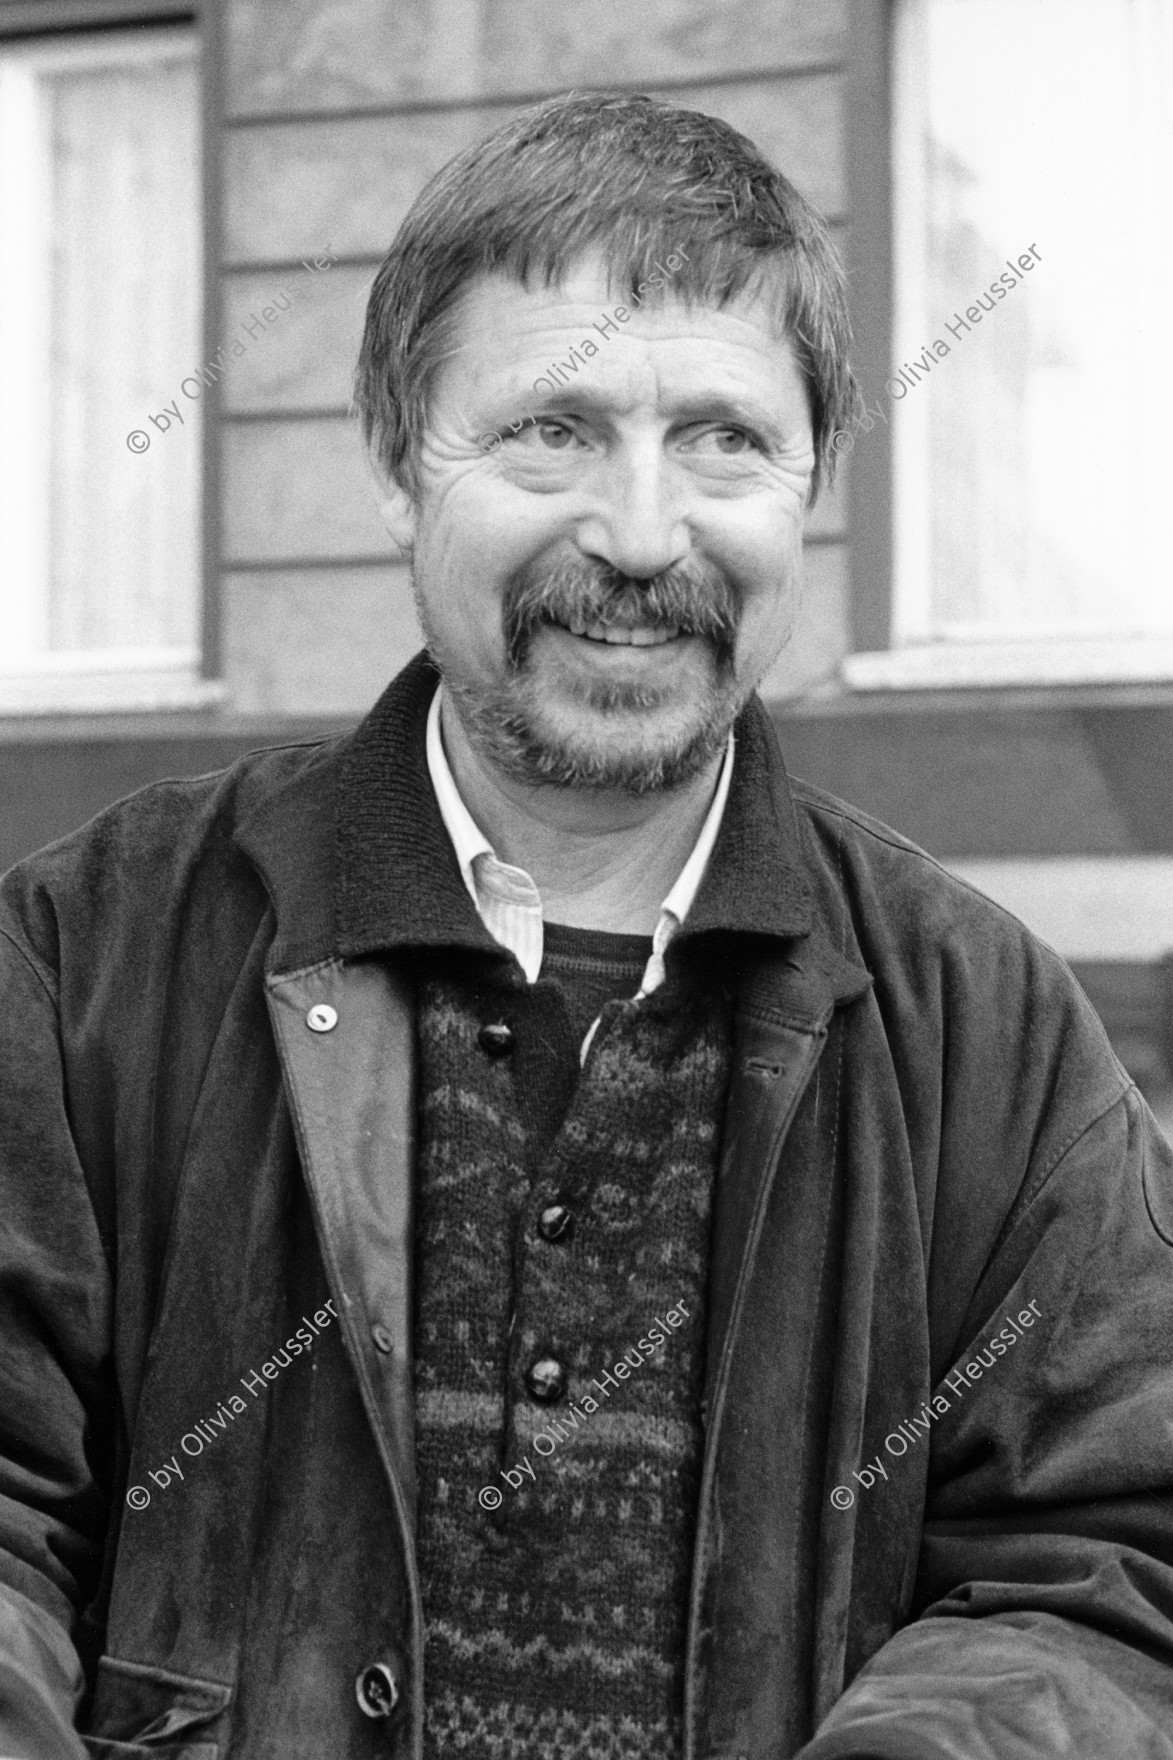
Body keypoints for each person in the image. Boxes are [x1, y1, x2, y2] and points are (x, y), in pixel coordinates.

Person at [1, 89, 1171, 1760]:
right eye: (551, 430)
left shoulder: (983, 1024)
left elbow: (1111, 1562)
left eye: (723, 439)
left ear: (809, 483)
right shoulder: (79, 957)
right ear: (402, 464)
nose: (638, 535)